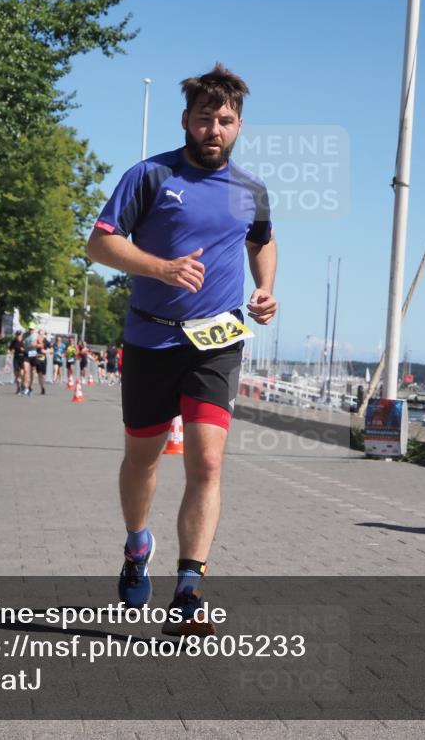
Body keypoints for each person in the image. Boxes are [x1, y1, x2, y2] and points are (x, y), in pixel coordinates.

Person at [86, 63, 277, 635]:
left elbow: (262, 242)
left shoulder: (251, 191)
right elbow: (98, 244)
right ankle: (136, 542)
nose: (213, 130)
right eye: (203, 120)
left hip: (216, 342)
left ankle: (189, 588)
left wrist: (265, 289)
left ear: (239, 125)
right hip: (150, 336)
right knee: (142, 459)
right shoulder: (148, 176)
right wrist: (160, 268)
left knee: (208, 462)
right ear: (185, 121)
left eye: (225, 121)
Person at [22, 326, 39, 396]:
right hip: (26, 354)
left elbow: (41, 344)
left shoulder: (36, 335)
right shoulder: (24, 335)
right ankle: (26, 387)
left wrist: (35, 345)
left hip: (33, 354)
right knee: (26, 370)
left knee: (33, 371)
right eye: (29, 329)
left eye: (32, 329)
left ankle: (30, 386)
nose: (31, 330)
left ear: (34, 329)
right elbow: (22, 343)